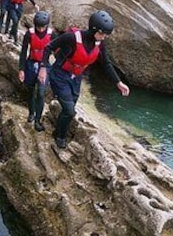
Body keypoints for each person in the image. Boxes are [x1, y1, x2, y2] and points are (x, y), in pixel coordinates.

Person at [37, 10, 130, 149]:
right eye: (102, 33)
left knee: (70, 109)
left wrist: (118, 82)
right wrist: (43, 67)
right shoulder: (71, 37)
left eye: (105, 35)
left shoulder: (99, 44)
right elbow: (49, 47)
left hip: (76, 78)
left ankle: (58, 130)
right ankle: (60, 136)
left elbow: (106, 64)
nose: (104, 37)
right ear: (94, 29)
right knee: (69, 111)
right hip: (60, 75)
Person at [18, 10, 54, 132]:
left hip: (45, 65)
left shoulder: (51, 34)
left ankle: (38, 120)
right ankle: (31, 112)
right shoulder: (30, 33)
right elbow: (23, 52)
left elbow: (59, 51)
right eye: (38, 26)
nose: (40, 29)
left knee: (41, 93)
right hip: (31, 63)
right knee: (31, 90)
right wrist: (21, 69)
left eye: (43, 27)